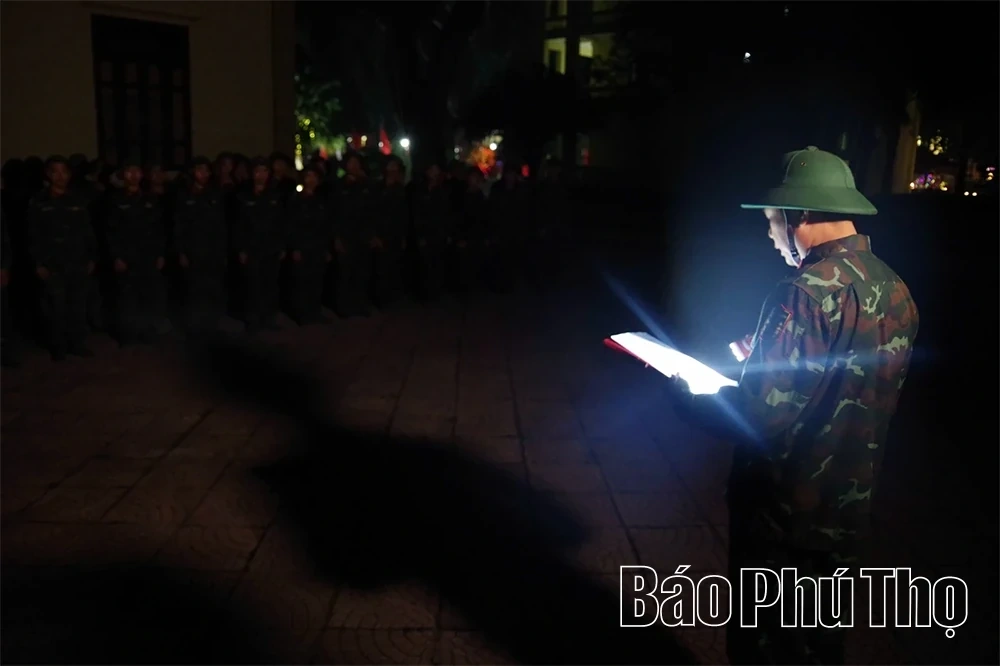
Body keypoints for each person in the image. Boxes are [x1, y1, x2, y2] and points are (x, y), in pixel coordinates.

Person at [667, 147, 919, 665]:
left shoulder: (803, 292)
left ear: (799, 214)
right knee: (820, 645)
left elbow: (759, 415)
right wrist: (763, 349)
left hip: (784, 518)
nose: (769, 235)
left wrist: (685, 391)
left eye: (771, 221)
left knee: (766, 648)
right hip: (846, 511)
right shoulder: (895, 288)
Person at [28, 156, 98, 360]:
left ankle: (77, 343)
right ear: (48, 174)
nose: (60, 176)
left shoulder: (78, 199)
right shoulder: (38, 201)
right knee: (55, 307)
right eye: (55, 172)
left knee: (78, 305)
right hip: (52, 263)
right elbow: (32, 234)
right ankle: (58, 347)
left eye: (64, 172)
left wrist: (92, 257)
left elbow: (87, 230)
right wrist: (38, 263)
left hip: (77, 260)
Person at [106, 157, 166, 345]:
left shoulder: (150, 198)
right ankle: (128, 334)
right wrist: (116, 256)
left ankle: (147, 331)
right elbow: (110, 231)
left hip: (148, 255)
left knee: (149, 294)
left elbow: (159, 228)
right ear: (122, 175)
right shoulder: (114, 200)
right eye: (129, 171)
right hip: (126, 255)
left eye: (137, 171)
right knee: (126, 297)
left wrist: (160, 254)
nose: (133, 175)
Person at [174, 156, 228, 333]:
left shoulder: (215, 193)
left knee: (213, 287)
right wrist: (181, 251)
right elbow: (178, 226)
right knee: (194, 289)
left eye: (206, 170)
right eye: (200, 170)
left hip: (213, 250)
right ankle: (194, 325)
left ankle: (212, 323)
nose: (204, 174)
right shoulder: (183, 194)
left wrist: (222, 250)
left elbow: (221, 225)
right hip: (193, 250)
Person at [234, 157, 286, 333]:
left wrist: (282, 246)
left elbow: (281, 223)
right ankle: (253, 320)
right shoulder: (243, 195)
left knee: (270, 285)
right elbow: (238, 224)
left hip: (271, 247)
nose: (261, 175)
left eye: (264, 171)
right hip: (252, 248)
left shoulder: (275, 194)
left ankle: (269, 318)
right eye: (257, 171)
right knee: (252, 285)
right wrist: (241, 248)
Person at [287, 164, 333, 324]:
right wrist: (295, 247)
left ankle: (315, 311)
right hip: (303, 246)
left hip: (318, 246)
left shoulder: (321, 200)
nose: (311, 179)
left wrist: (327, 248)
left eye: (314, 176)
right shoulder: (296, 199)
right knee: (302, 281)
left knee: (317, 281)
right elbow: (292, 225)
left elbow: (326, 226)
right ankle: (302, 314)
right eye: (308, 176)